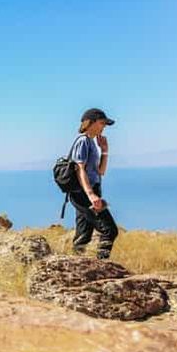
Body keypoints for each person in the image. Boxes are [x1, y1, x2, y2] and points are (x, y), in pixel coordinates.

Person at [68, 108, 118, 259]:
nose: (104, 127)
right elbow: (79, 169)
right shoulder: (83, 141)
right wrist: (91, 195)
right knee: (109, 230)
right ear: (90, 123)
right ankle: (102, 264)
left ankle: (75, 266)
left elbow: (100, 171)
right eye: (102, 123)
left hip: (89, 191)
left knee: (83, 235)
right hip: (84, 194)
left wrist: (104, 151)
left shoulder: (91, 143)